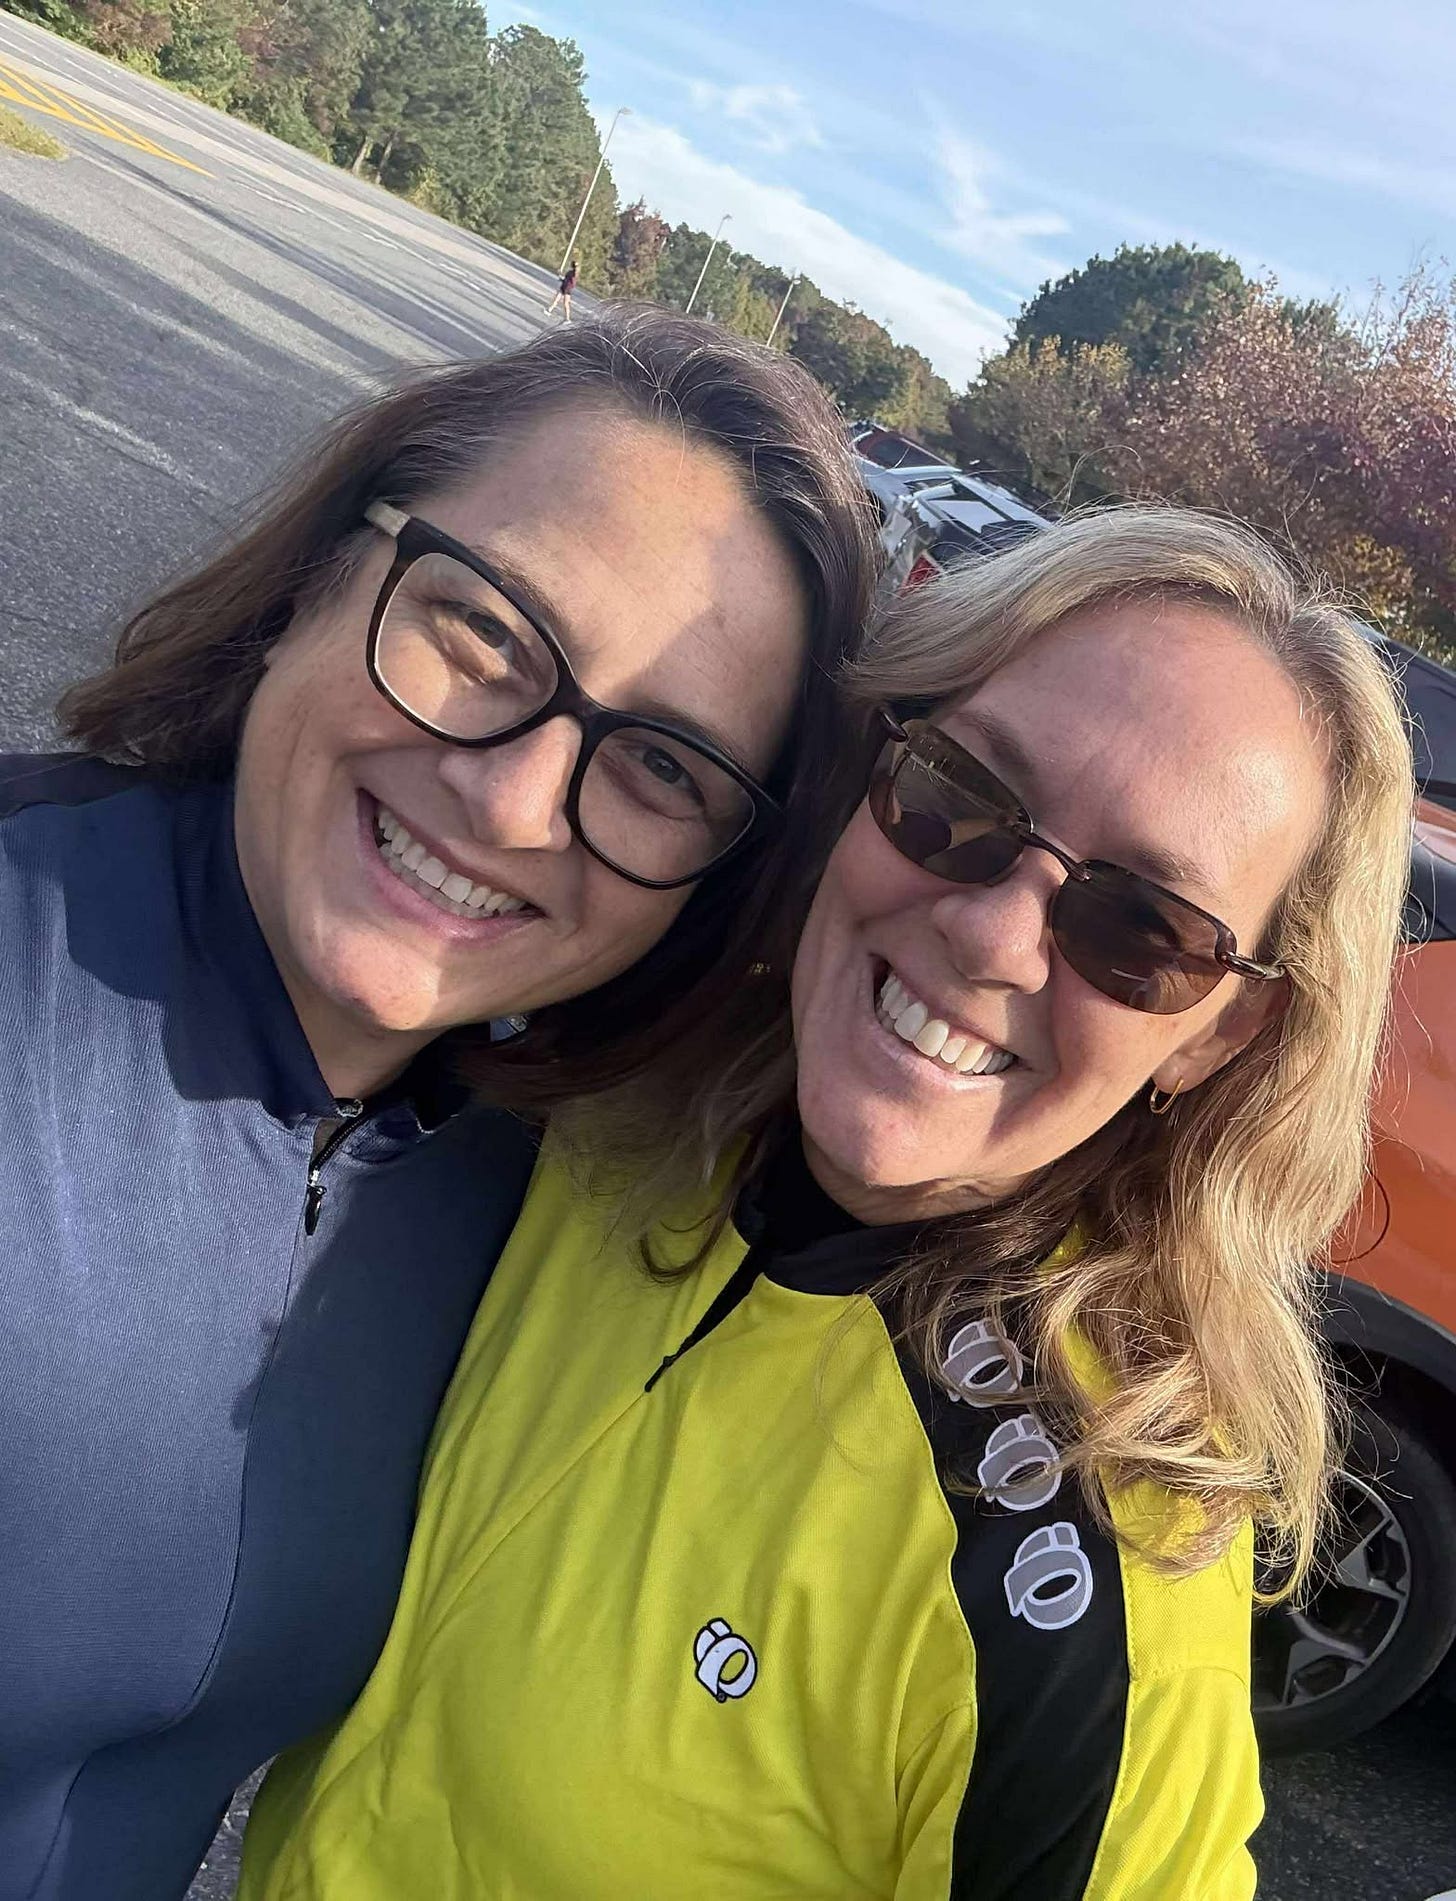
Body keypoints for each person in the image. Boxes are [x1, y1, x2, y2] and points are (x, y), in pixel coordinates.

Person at [238, 508, 1414, 1901]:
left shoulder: (1080, 1606)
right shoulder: (629, 1094)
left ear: (1221, 1034)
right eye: (961, 796)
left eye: (1140, 928)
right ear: (873, 770)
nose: (989, 934)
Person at [0, 307, 878, 1901]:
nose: (515, 796)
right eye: (483, 632)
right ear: (327, 567)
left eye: (664, 768)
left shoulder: (518, 1176)